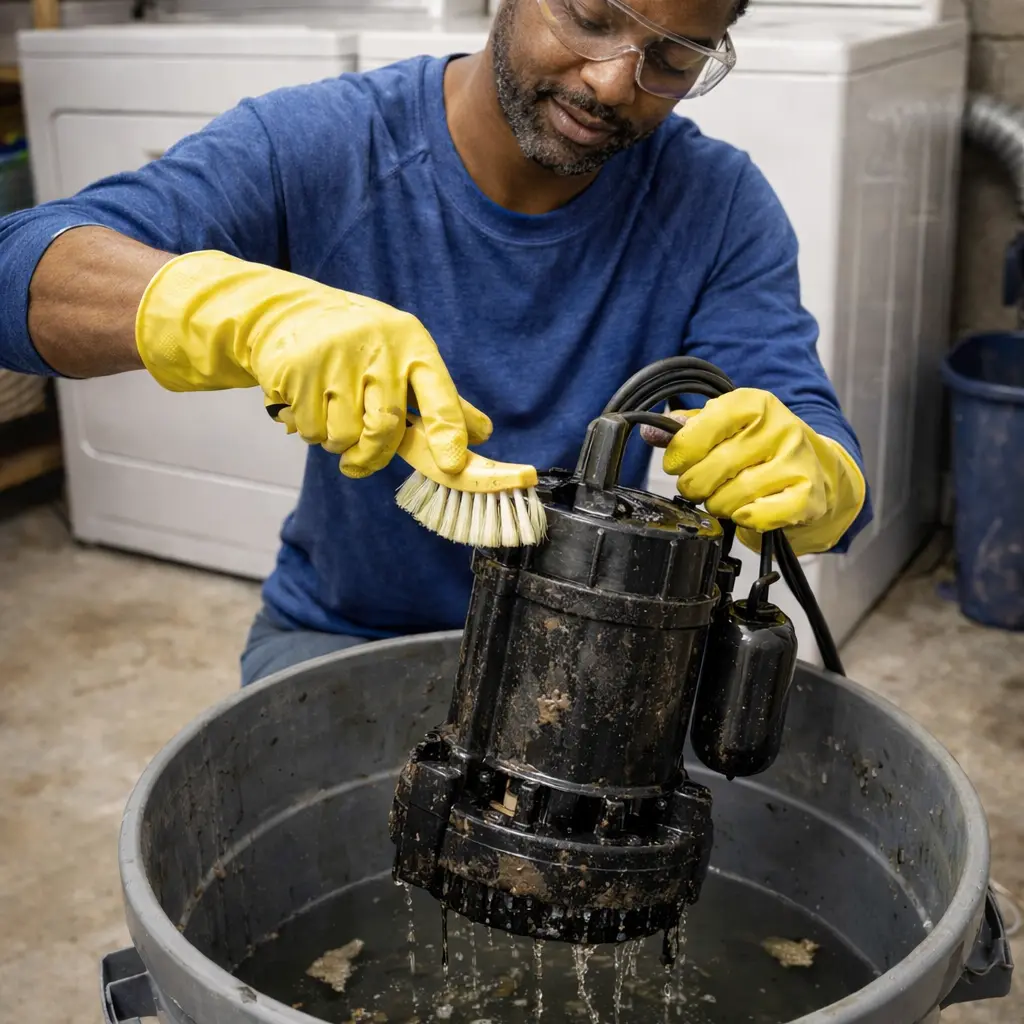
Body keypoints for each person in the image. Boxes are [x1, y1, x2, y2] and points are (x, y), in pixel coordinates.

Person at [0, 0, 872, 686]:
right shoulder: (323, 145)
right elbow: (20, 272)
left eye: (673, 57)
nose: (613, 81)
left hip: (602, 647)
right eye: (591, 18)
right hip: (342, 635)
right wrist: (237, 311)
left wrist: (818, 478)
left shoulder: (717, 204)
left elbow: (815, 441)